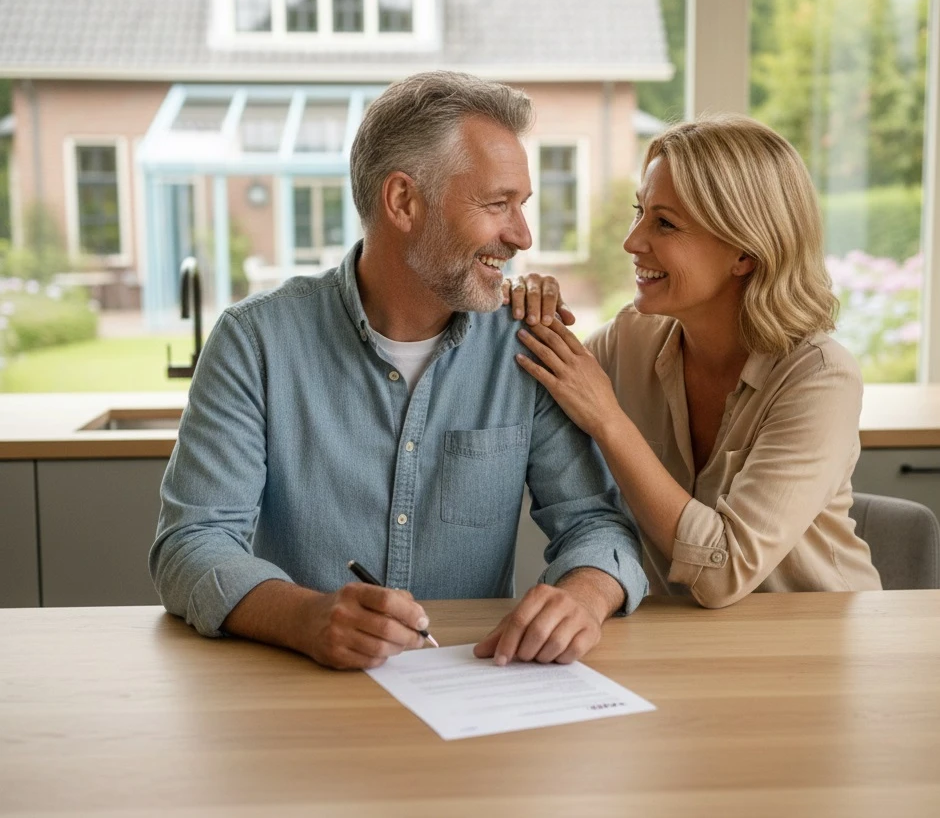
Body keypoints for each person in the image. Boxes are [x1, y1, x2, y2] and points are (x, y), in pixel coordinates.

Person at [150, 70, 648, 671]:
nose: (521, 235)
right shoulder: (255, 342)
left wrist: (582, 598)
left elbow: (598, 527)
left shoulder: (525, 343)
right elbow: (191, 543)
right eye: (497, 205)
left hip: (474, 691)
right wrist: (304, 617)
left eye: (522, 206)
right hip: (303, 693)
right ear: (403, 201)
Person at [505, 114, 881, 608]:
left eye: (664, 223)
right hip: (677, 644)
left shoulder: (820, 379)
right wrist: (525, 309)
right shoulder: (630, 340)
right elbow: (524, 376)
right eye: (639, 212)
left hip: (816, 650)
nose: (633, 241)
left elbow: (721, 574)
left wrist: (608, 421)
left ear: (744, 253)